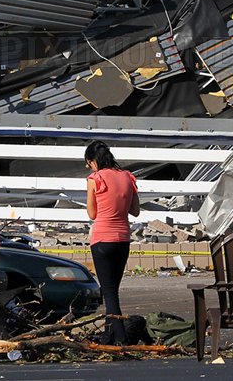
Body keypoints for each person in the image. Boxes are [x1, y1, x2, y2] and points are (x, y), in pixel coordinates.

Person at [85, 140, 139, 345]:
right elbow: (135, 210)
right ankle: (109, 336)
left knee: (108, 292)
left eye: (88, 163)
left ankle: (121, 338)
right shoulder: (128, 177)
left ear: (93, 161)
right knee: (112, 290)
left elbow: (92, 213)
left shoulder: (94, 179)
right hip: (123, 239)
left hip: (102, 239)